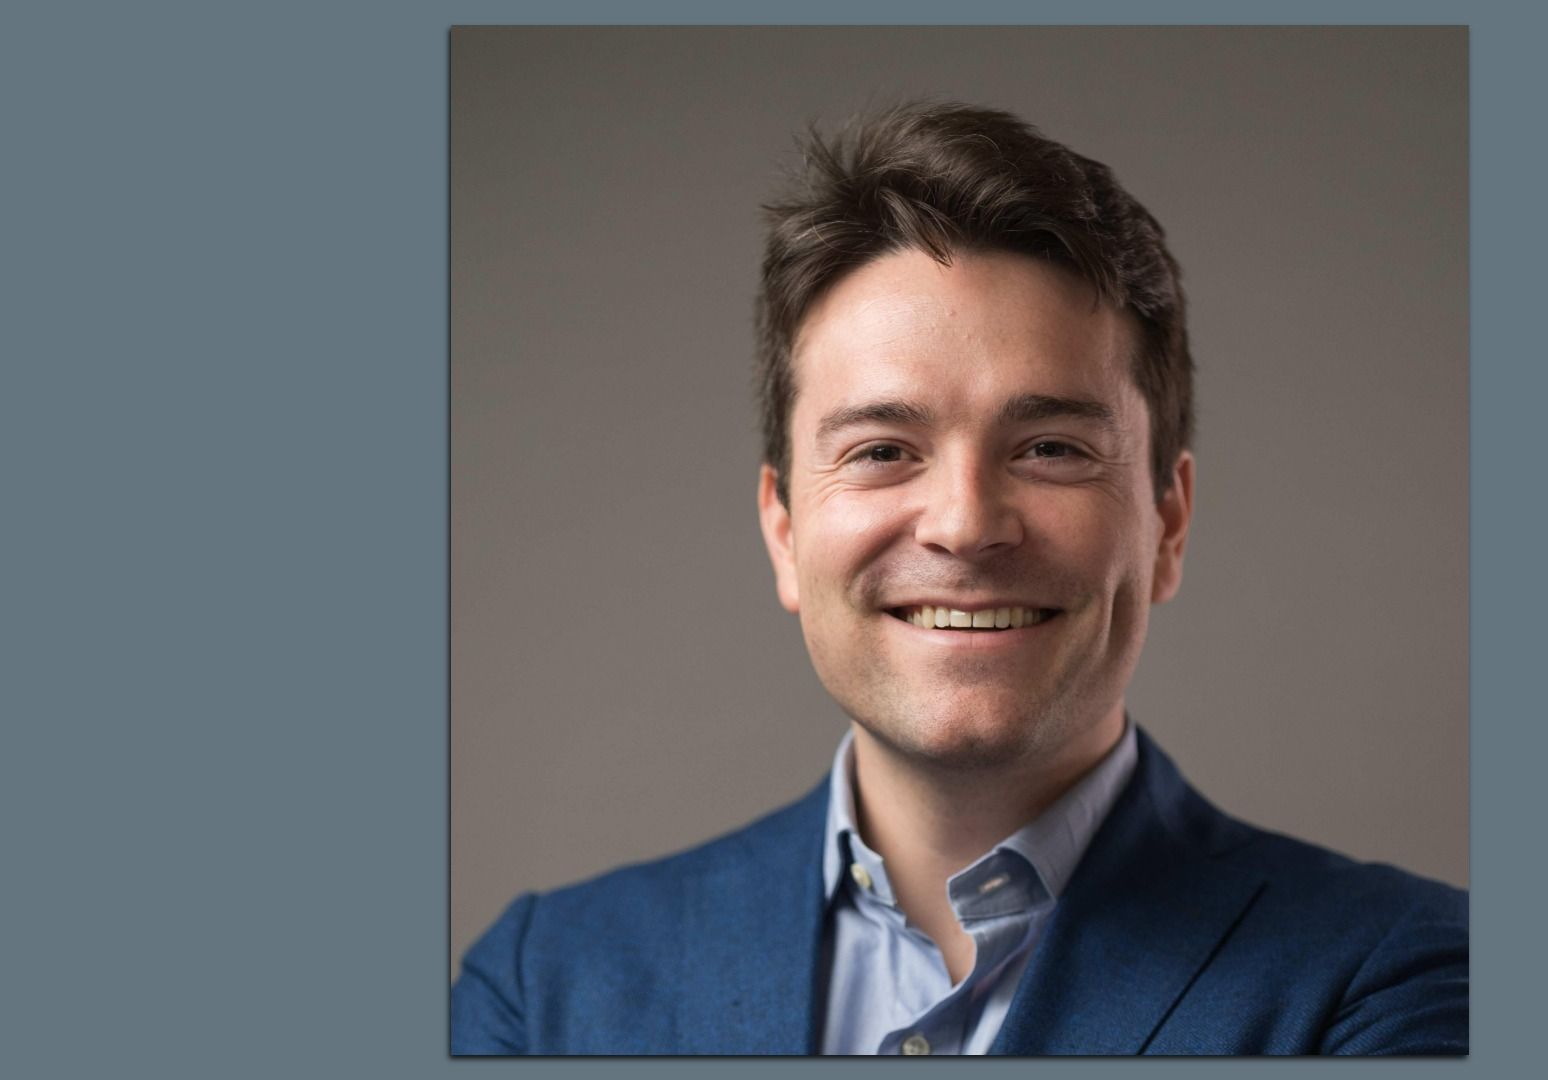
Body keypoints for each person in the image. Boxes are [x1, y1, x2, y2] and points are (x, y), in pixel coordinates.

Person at [451, 102, 1467, 1056]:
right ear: (783, 531)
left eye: (1053, 448)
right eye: (884, 450)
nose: (967, 525)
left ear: (1167, 521)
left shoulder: (1394, 981)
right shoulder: (544, 991)